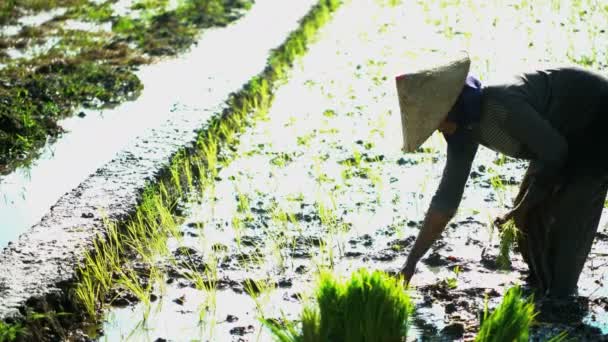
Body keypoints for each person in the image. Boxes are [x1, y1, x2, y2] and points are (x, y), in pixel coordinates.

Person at [395, 53, 608, 298]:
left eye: (437, 122)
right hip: (555, 140)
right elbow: (446, 200)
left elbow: (556, 152)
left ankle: (562, 296)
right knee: (526, 216)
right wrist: (410, 263)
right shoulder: (461, 132)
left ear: (453, 106)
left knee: (569, 210)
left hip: (597, 121)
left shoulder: (502, 103)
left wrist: (523, 206)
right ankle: (540, 283)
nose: (439, 129)